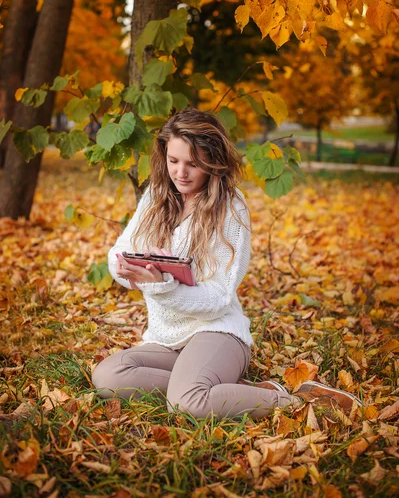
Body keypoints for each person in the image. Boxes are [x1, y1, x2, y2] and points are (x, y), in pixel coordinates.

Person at [92, 108, 361, 419]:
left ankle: (303, 402)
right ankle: (232, 390)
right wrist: (125, 270)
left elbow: (219, 297)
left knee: (184, 404)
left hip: (217, 332)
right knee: (108, 376)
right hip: (167, 340)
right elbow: (120, 252)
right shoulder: (156, 196)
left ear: (212, 161)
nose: (181, 172)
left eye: (193, 163)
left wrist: (161, 286)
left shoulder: (231, 208)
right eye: (173, 161)